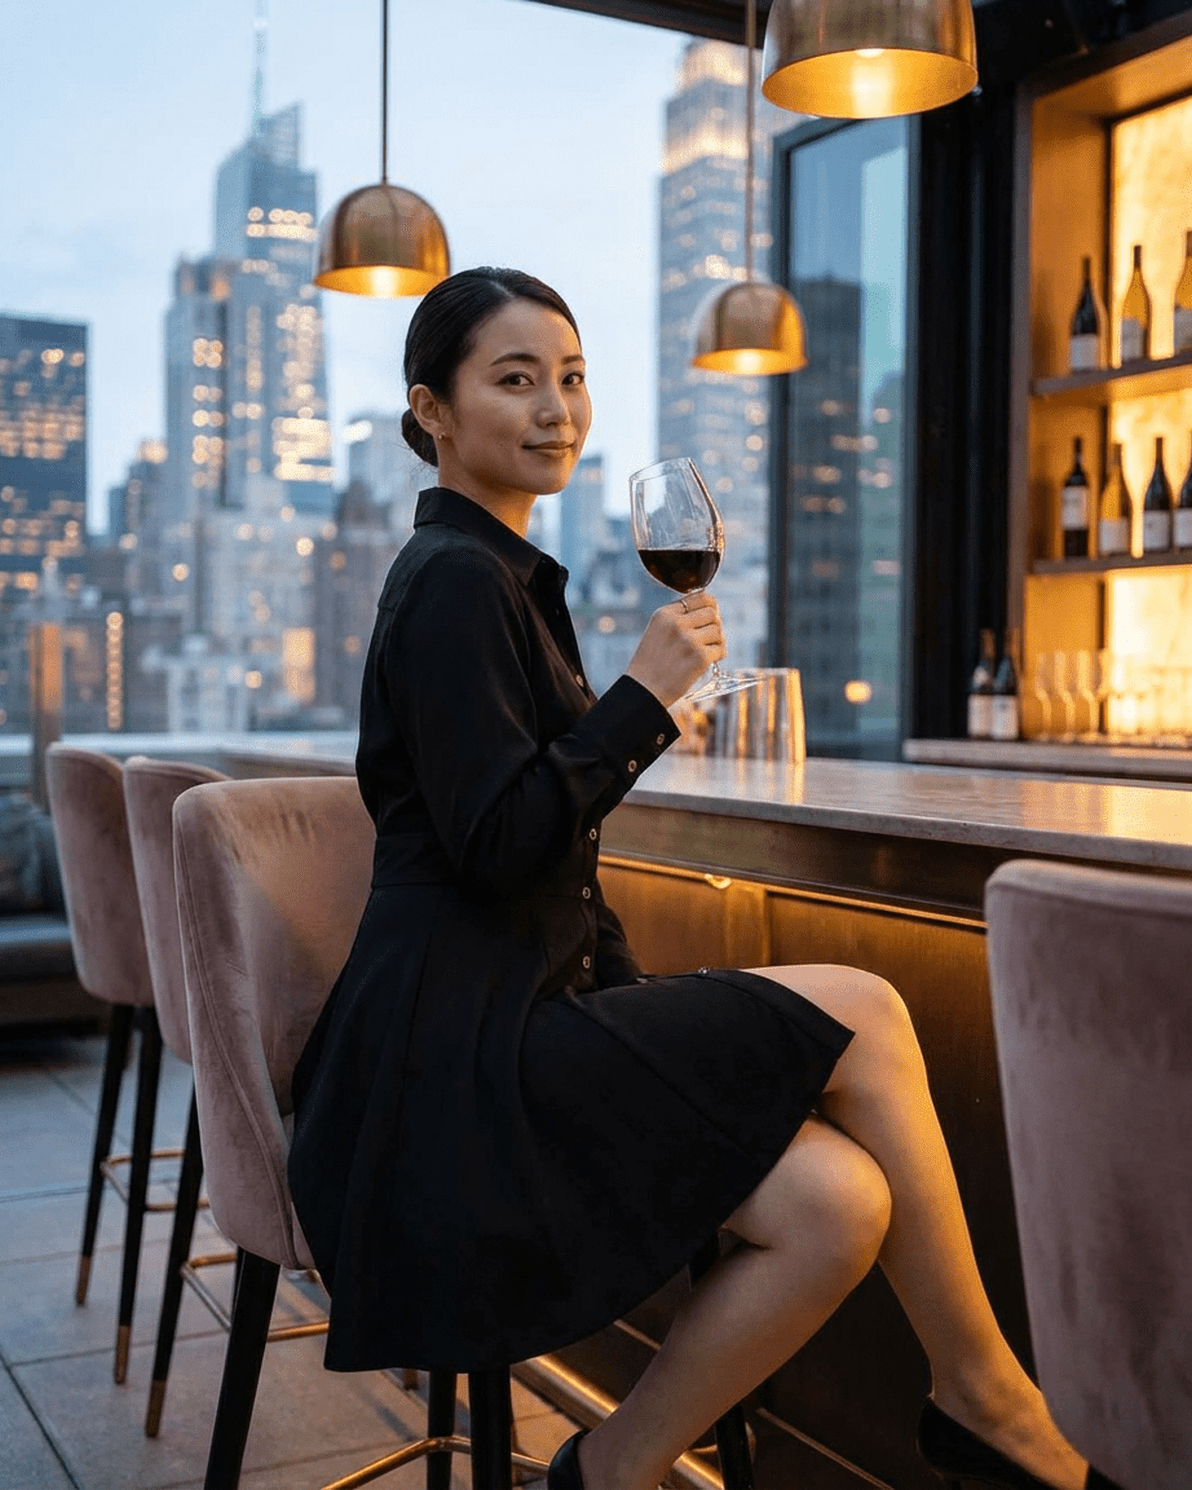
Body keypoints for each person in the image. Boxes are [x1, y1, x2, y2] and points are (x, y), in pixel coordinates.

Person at [287, 267, 1091, 1490]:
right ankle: (988, 1401)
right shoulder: (453, 582)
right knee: (866, 1005)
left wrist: (639, 1004)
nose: (556, 408)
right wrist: (643, 697)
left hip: (506, 1023)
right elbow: (499, 849)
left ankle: (606, 1467)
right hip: (453, 1068)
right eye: (514, 380)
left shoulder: (503, 577)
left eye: (571, 377)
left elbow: (542, 854)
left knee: (837, 1204)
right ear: (432, 410)